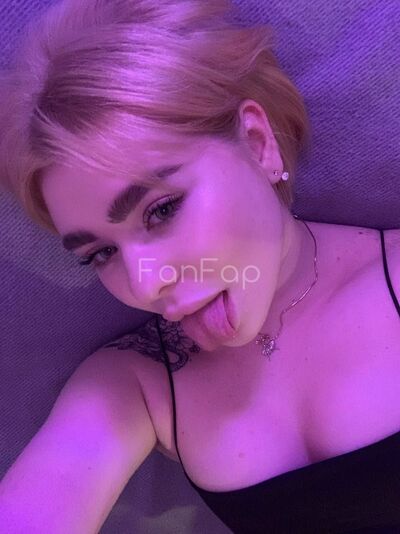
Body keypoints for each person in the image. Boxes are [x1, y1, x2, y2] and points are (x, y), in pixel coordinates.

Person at [0, 0, 399, 532]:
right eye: (101, 253)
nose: (145, 284)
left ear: (257, 143)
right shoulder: (137, 380)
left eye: (162, 210)